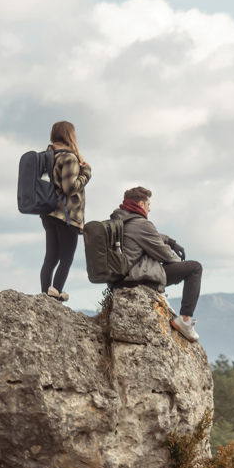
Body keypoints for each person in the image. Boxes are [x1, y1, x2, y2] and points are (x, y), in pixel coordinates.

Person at [111, 186, 202, 342]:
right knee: (194, 268)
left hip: (117, 278)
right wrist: (179, 264)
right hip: (136, 277)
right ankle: (185, 320)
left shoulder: (118, 220)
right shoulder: (140, 224)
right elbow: (166, 256)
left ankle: (158, 293)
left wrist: (171, 241)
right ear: (140, 204)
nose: (149, 209)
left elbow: (153, 236)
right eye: (148, 205)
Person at [41, 120, 91, 302]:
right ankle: (54, 297)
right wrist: (86, 172)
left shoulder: (48, 156)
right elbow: (70, 188)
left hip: (48, 212)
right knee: (66, 258)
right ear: (69, 135)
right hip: (66, 214)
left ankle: (45, 295)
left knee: (51, 258)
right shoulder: (69, 157)